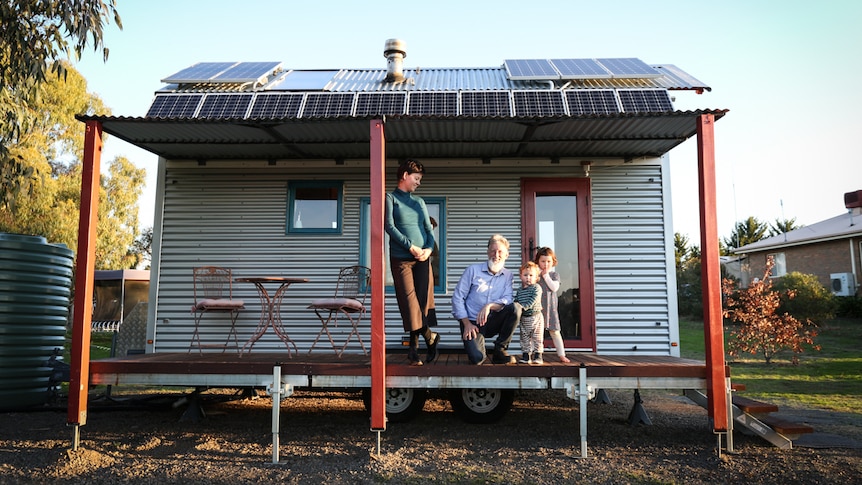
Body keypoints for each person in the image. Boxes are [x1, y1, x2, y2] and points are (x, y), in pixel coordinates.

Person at [385, 159, 439, 365]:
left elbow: (428, 230)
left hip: (422, 259)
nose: (418, 183)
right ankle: (430, 337)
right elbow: (389, 226)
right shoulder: (390, 198)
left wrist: (427, 250)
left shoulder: (419, 202)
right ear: (405, 175)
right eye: (416, 178)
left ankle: (414, 350)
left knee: (422, 304)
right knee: (409, 304)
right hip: (402, 259)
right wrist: (410, 246)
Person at [451, 234, 520, 365]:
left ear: (507, 255)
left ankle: (500, 350)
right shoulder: (472, 270)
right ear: (488, 252)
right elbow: (457, 298)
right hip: (472, 323)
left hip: (494, 319)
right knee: (477, 359)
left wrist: (489, 306)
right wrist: (466, 323)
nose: (496, 255)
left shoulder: (508, 275)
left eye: (500, 252)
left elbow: (507, 299)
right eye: (493, 251)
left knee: (516, 308)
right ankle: (478, 349)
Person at [535, 247, 571, 363]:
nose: (546, 264)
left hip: (550, 309)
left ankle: (561, 354)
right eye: (543, 261)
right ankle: (534, 353)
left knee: (555, 332)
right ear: (538, 262)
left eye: (549, 261)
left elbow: (554, 287)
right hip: (537, 309)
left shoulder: (554, 275)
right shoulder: (535, 275)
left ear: (553, 262)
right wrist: (537, 274)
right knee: (535, 332)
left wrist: (545, 276)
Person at [514, 261, 544, 364]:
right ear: (521, 276)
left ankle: (538, 356)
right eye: (525, 275)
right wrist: (515, 307)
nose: (528, 277)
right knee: (524, 337)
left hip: (536, 317)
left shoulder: (536, 288)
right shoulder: (519, 290)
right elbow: (516, 300)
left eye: (531, 275)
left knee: (537, 337)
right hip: (524, 317)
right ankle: (526, 356)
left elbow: (534, 300)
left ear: (536, 277)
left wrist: (524, 307)